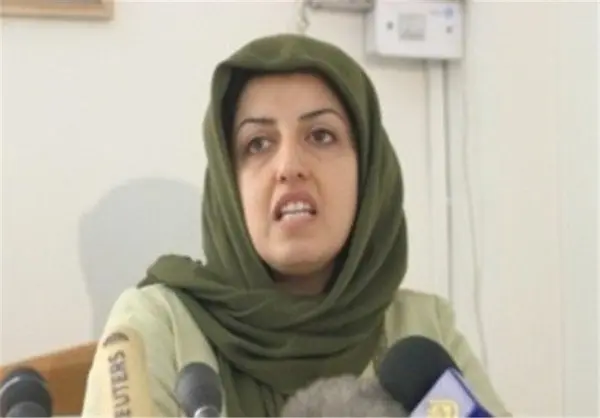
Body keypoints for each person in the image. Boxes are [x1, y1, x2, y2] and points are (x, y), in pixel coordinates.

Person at [82, 33, 510, 417]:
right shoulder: (159, 326)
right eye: (258, 144)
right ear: (229, 187)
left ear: (368, 173)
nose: (288, 166)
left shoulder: (421, 332)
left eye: (321, 136)